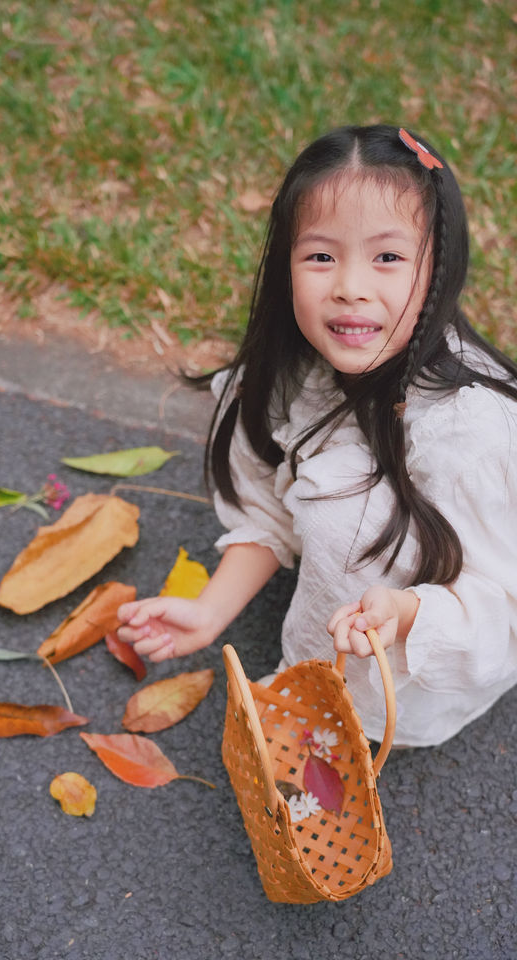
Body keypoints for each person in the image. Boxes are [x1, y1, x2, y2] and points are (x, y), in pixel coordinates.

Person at [117, 124, 517, 748]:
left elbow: (502, 607)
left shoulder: (468, 437)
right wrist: (210, 611)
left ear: (438, 266)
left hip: (404, 697)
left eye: (388, 257)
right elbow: (271, 508)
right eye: (321, 256)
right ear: (286, 265)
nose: (350, 286)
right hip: (321, 656)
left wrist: (410, 614)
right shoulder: (294, 374)